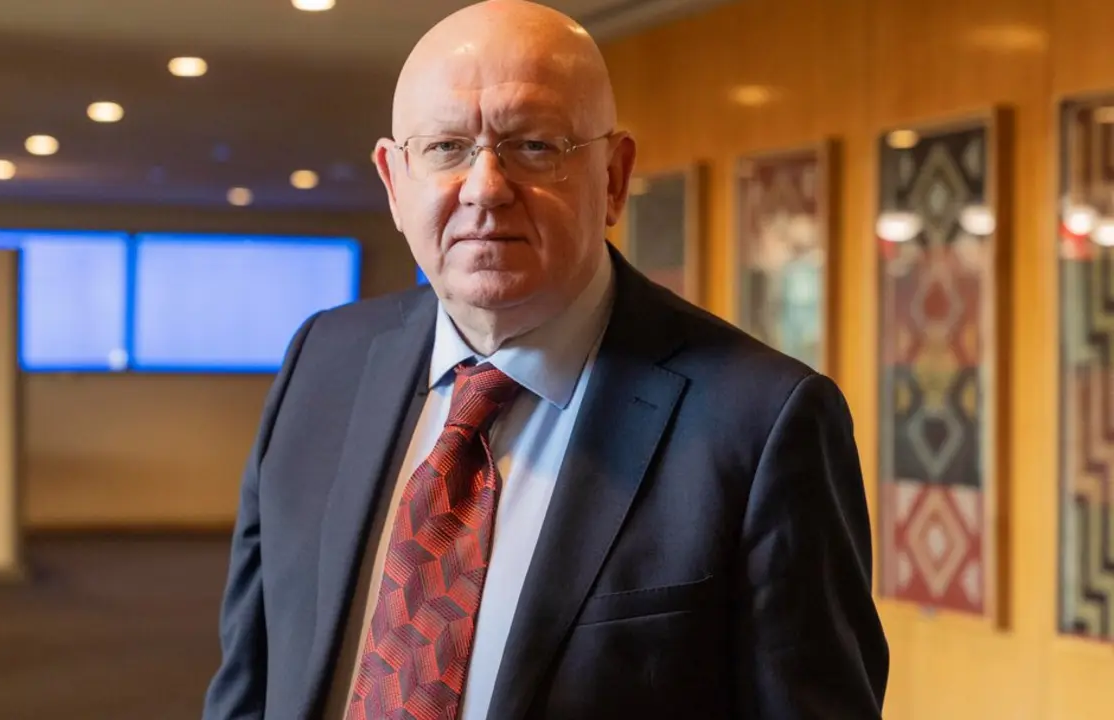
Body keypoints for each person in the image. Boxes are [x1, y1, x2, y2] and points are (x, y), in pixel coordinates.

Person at [201, 1, 889, 718]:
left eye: (534, 146)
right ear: (393, 182)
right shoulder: (322, 364)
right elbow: (250, 682)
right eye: (445, 148)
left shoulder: (762, 423)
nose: (485, 188)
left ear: (615, 177)